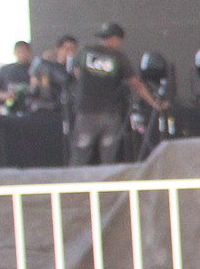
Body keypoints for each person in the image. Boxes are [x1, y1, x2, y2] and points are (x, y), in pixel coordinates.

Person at [70, 24, 164, 166]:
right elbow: (136, 84)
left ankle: (75, 180)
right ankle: (109, 180)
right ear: (117, 40)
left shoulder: (86, 52)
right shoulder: (119, 58)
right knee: (108, 154)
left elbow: (77, 72)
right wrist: (154, 102)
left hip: (86, 111)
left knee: (81, 153)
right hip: (110, 113)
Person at [0, 41, 34, 106]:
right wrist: (6, 95)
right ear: (15, 53)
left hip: (30, 106)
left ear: (30, 52)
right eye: (19, 52)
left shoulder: (35, 70)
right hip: (7, 107)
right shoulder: (4, 70)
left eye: (24, 51)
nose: (22, 55)